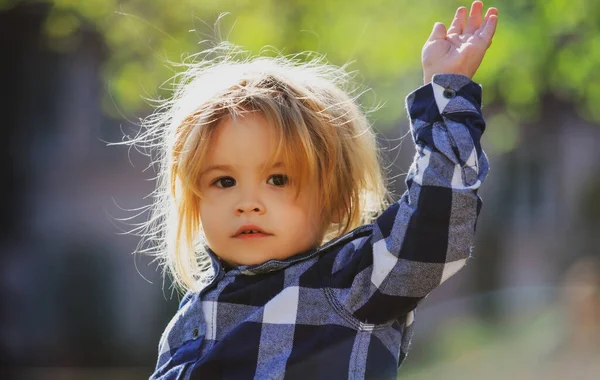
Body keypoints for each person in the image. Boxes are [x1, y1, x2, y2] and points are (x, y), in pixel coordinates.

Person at [132, 1, 498, 378]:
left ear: (335, 198)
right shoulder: (186, 325)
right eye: (224, 181)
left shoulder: (352, 285)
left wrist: (446, 94)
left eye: (278, 180)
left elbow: (434, 229)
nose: (248, 203)